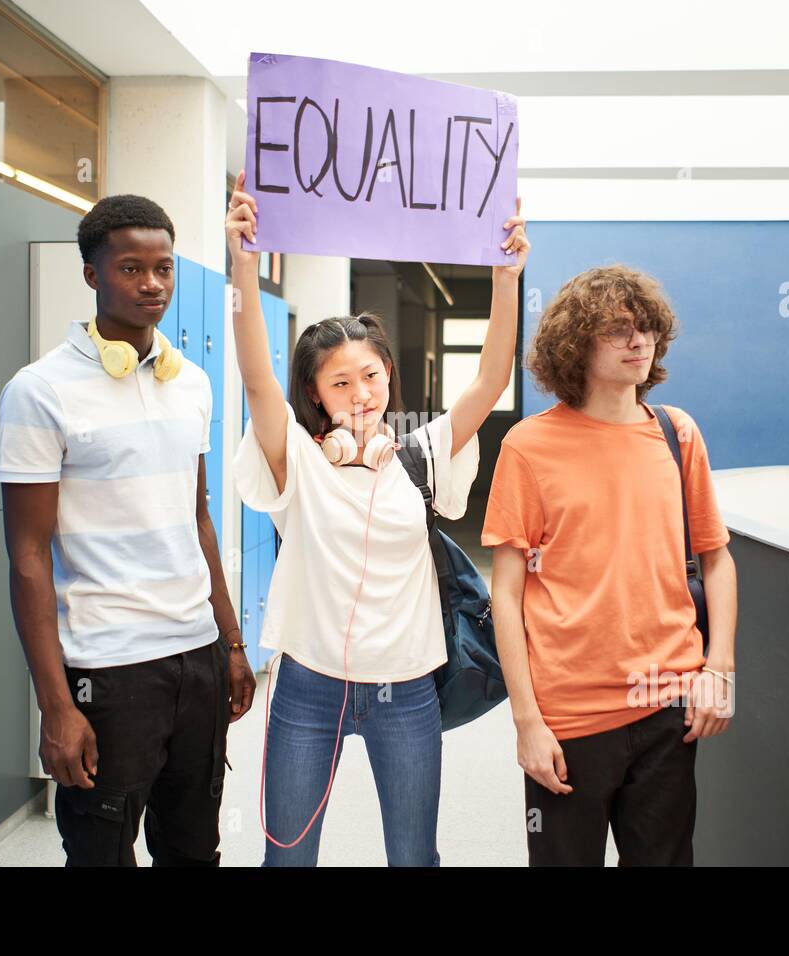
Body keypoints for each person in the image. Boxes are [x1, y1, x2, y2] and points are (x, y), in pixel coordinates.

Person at [225, 170, 528, 866]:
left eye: (371, 375)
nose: (360, 394)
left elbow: (487, 381)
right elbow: (255, 379)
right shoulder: (295, 462)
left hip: (407, 690)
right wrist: (243, 262)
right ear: (316, 393)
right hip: (307, 688)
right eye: (340, 382)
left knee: (415, 858)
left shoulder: (419, 456)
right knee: (288, 858)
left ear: (388, 374)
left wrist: (507, 277)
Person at [0, 194, 255, 866]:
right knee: (101, 853)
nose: (151, 284)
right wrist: (55, 707)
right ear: (92, 276)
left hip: (195, 658)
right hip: (107, 670)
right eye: (131, 268)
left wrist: (229, 642)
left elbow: (196, 515)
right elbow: (27, 557)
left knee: (195, 849)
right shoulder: (39, 390)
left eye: (164, 268)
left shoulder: (191, 383)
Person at [483, 264, 738, 866]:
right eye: (618, 330)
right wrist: (526, 722)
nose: (638, 342)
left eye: (646, 329)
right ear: (576, 345)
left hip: (668, 705)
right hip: (571, 715)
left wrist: (719, 669)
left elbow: (717, 559)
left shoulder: (678, 434)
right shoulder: (527, 446)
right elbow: (506, 594)